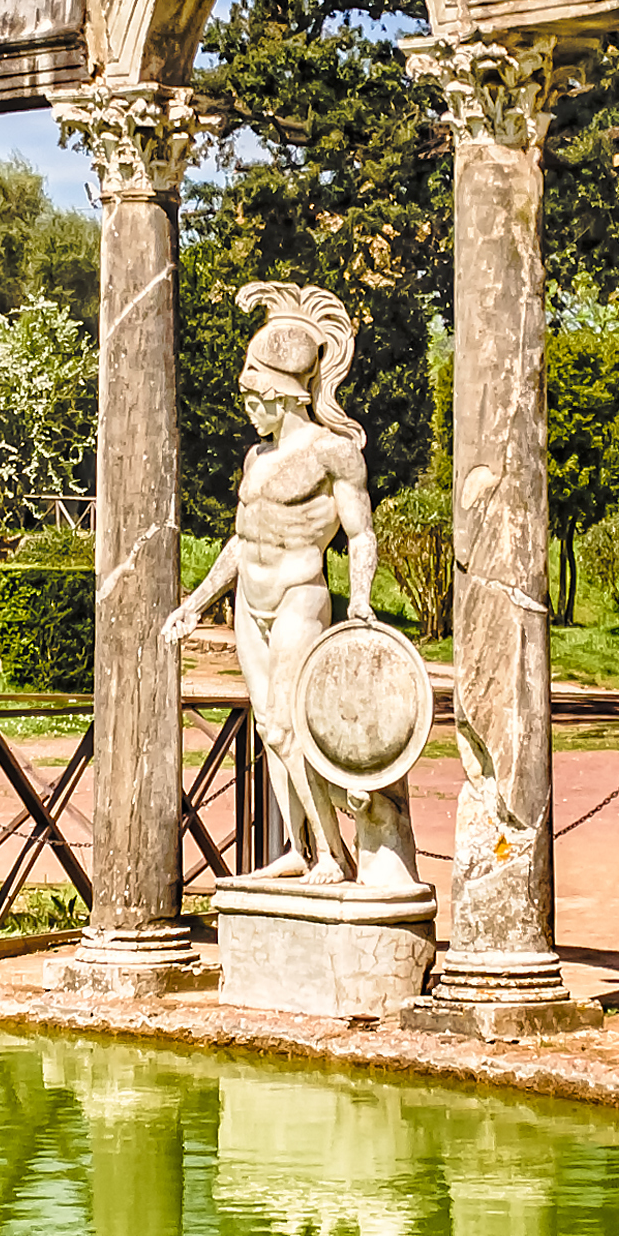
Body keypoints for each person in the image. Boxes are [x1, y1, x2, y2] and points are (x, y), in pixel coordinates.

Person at [164, 282, 416, 892]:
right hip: (250, 605)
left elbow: (359, 535)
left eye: (256, 397)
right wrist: (196, 603)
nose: (249, 407)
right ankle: (301, 851)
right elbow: (242, 541)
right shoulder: (256, 459)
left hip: (302, 597)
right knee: (269, 729)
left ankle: (335, 856)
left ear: (285, 396)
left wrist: (360, 599)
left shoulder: (334, 454)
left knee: (291, 723)